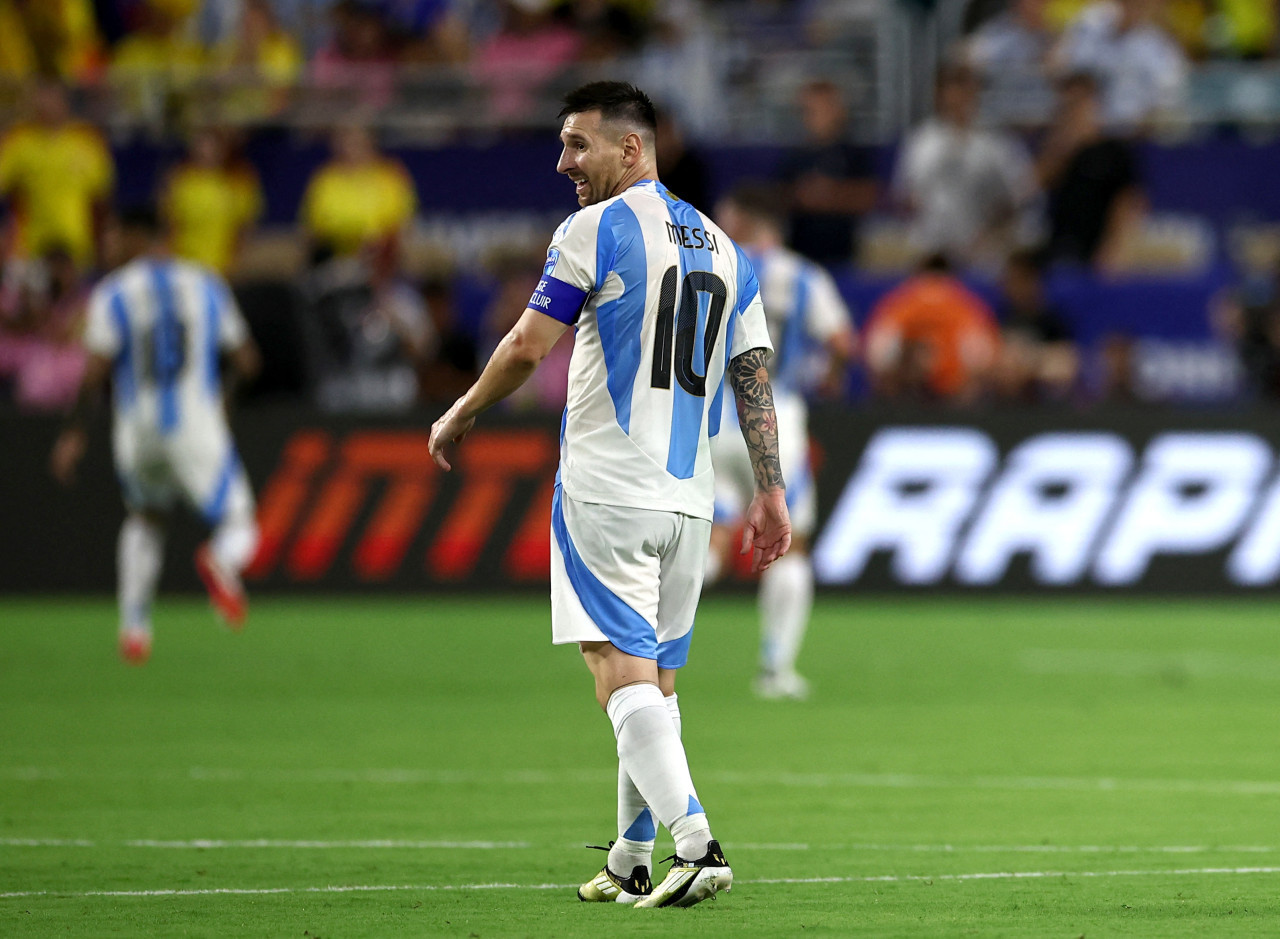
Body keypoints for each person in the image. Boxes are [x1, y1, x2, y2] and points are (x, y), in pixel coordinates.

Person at [427, 81, 789, 908]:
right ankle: (631, 850)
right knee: (653, 682)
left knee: (613, 669)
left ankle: (696, 843)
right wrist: (770, 490)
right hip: (690, 499)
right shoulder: (729, 249)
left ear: (631, 149)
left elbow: (526, 346)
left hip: (608, 488)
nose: (564, 163)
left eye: (577, 145)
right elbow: (751, 372)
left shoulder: (593, 229)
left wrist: (461, 411)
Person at [49, 206, 261, 665]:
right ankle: (222, 560)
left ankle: (134, 629)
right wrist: (225, 401)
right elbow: (247, 361)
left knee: (146, 517)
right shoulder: (205, 283)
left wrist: (74, 432)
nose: (108, 245)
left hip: (137, 428)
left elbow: (95, 370)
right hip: (195, 421)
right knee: (240, 521)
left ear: (135, 236)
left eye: (114, 234)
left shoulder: (114, 293)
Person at [706, 183, 855, 700]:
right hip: (776, 419)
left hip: (711, 419)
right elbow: (842, 342)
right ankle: (775, 670)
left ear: (745, 220)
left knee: (712, 541)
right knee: (793, 547)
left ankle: (646, 646)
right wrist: (829, 376)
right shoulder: (804, 276)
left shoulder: (713, 267)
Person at [891, 62, 1041, 273]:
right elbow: (904, 197)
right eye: (951, 87)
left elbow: (1021, 195)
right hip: (934, 251)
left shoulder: (998, 141)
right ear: (939, 94)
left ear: (976, 91)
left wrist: (987, 233)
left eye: (964, 87)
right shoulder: (921, 141)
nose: (957, 96)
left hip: (986, 248)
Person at [0, 80, 114, 271]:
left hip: (78, 247)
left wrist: (103, 247)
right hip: (31, 248)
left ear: (65, 102)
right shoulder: (19, 144)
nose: (45, 104)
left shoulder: (86, 143)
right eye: (40, 98)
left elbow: (102, 200)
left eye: (51, 98)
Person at [1037, 71, 1145, 271]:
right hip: (1059, 250)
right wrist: (1065, 148)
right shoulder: (1057, 150)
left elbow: (1128, 201)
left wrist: (1114, 248)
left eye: (1080, 103)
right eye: (1068, 105)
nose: (1074, 111)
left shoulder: (1114, 151)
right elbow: (1034, 186)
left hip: (1100, 252)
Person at [863, 253, 1002, 402]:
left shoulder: (897, 303)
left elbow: (877, 353)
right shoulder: (969, 305)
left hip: (945, 390)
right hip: (931, 389)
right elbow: (983, 357)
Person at [774, 79, 878, 266]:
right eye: (810, 111)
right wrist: (801, 196)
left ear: (839, 111)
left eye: (824, 109)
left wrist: (828, 195)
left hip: (843, 255)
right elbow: (779, 196)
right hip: (802, 253)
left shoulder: (854, 154)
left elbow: (869, 196)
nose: (817, 117)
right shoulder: (795, 157)